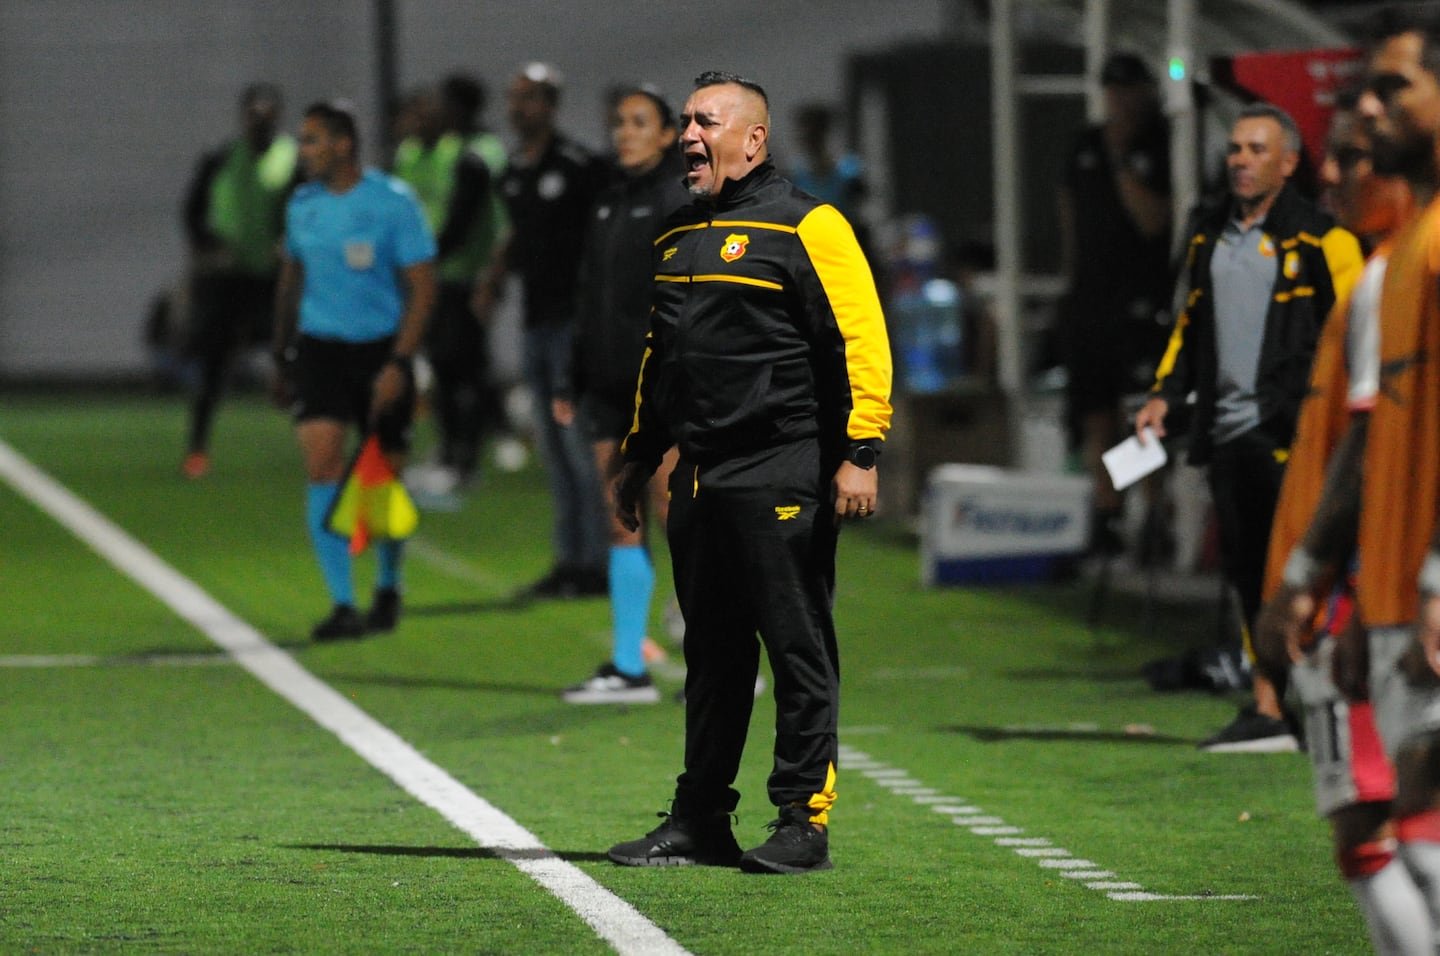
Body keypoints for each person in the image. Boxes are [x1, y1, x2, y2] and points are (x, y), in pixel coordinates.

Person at [606, 71, 892, 874]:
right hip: (699, 474)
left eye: (706, 122)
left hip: (783, 466)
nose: (688, 136)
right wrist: (640, 453)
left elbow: (861, 339)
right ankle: (702, 818)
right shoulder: (675, 234)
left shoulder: (809, 224)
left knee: (797, 648)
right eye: (686, 122)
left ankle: (803, 821)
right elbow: (662, 355)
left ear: (754, 139)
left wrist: (862, 451)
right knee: (713, 657)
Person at [1262, 10, 1440, 941]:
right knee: (1393, 834)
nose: (1333, 173)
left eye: (1392, 90)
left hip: (1401, 595)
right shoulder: (1389, 273)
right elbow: (1375, 449)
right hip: (1377, 600)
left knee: (1405, 829)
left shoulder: (1410, 262)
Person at [1134, 102, 1364, 752]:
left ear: (1289, 163)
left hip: (1297, 434)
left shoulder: (1325, 240)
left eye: (1257, 149)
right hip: (1230, 431)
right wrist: (1165, 395)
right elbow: (1190, 324)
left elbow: (1356, 334)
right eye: (1235, 148)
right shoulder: (1209, 234)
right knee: (1246, 571)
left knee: (1303, 570)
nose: (1240, 160)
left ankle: (1318, 702)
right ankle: (1269, 706)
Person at [271, 101, 437, 640]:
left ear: (344, 144)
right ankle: (342, 603)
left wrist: (399, 362)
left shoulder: (392, 202)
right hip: (320, 349)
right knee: (322, 465)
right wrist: (281, 353)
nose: (303, 151)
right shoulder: (302, 205)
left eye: (312, 140)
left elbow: (423, 288)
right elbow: (291, 278)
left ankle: (388, 585)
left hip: (380, 350)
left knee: (382, 475)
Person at [558, 86, 689, 704]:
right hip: (611, 388)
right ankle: (627, 666)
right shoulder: (609, 201)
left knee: (679, 519)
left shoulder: (679, 200)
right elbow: (589, 295)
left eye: (640, 123)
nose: (625, 132)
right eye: (619, 122)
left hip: (662, 385)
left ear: (667, 135)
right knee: (621, 520)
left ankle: (724, 662)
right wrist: (573, 376)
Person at [473, 63, 611, 598]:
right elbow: (517, 233)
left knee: (580, 448)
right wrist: (493, 277)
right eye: (513, 98)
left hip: (575, 326)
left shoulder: (579, 166)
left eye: (529, 98)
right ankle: (569, 560)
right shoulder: (512, 170)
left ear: (551, 105)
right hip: (535, 323)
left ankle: (598, 563)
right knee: (552, 449)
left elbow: (606, 237)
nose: (518, 108)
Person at [1056, 53, 1172, 554]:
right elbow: (1069, 216)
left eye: (1129, 90)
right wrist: (1071, 283)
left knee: (1138, 412)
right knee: (1095, 412)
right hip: (1090, 299)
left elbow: (1153, 221)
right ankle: (1108, 513)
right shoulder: (1085, 144)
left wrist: (1122, 160)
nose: (1120, 101)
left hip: (1139, 299)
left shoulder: (1161, 143)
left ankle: (1152, 513)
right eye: (1112, 90)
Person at [181, 82, 301, 479]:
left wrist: (291, 245)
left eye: (267, 116)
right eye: (253, 115)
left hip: (274, 279)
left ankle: (316, 441)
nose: (259, 123)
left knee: (299, 355)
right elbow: (193, 212)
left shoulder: (292, 160)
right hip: (227, 278)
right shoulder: (220, 158)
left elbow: (308, 210)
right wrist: (208, 245)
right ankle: (197, 448)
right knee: (213, 362)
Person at [391, 83, 504, 487]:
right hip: (424, 280)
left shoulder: (465, 158)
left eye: (428, 113)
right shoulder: (407, 156)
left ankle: (466, 458)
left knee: (462, 368)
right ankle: (450, 451)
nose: (419, 121)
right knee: (440, 367)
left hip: (461, 278)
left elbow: (462, 221)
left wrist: (424, 259)